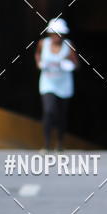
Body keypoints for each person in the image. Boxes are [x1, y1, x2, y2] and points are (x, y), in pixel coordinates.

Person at [35, 18, 78, 152]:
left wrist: (68, 65)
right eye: (54, 33)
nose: (56, 36)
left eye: (59, 33)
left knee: (61, 114)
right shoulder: (43, 43)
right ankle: (46, 144)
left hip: (64, 83)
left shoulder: (69, 45)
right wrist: (39, 63)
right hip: (48, 82)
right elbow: (37, 55)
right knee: (49, 110)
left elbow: (76, 64)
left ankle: (60, 143)